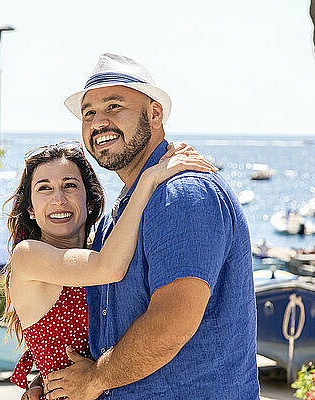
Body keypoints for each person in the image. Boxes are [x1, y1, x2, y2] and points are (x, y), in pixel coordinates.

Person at [19, 53, 259, 400]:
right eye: (89, 114)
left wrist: (94, 380)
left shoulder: (182, 193)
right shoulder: (119, 218)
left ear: (155, 113)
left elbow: (173, 320)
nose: (99, 122)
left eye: (114, 106)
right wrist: (45, 373)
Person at [5, 140, 216, 397]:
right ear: (30, 209)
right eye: (44, 189)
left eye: (69, 185)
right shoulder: (28, 255)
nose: (58, 199)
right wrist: (147, 181)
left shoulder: (103, 248)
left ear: (90, 200)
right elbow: (109, 269)